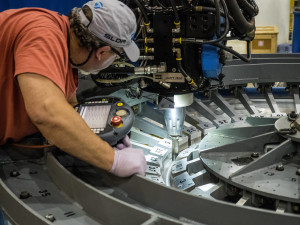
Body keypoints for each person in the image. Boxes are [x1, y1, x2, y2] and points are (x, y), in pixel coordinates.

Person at [0, 0, 146, 177]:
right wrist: (112, 160)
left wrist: (97, 141)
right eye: (116, 56)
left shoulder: (62, 40)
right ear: (102, 52)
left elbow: (68, 107)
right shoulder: (42, 35)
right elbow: (47, 113)